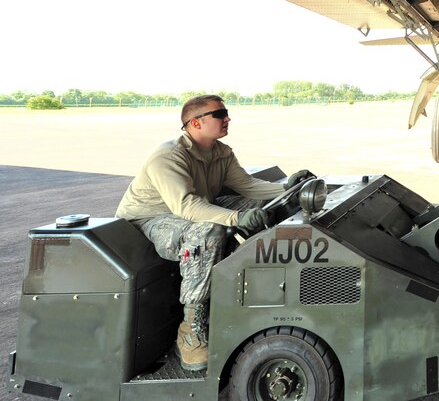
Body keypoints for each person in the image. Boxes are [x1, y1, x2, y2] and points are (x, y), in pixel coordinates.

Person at [115, 94, 314, 371]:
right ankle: (191, 329)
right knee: (206, 233)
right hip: (151, 219)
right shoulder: (169, 156)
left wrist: (287, 190)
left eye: (226, 112)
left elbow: (247, 186)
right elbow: (185, 205)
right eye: (220, 114)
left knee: (261, 207)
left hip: (195, 210)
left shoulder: (221, 151)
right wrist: (235, 217)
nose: (227, 118)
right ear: (195, 122)